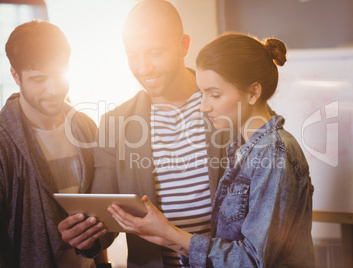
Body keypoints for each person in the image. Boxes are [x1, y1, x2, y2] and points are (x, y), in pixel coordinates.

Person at [108, 32, 316, 267]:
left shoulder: (273, 152)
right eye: (202, 93)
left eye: (214, 95)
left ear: (253, 93)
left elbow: (253, 261)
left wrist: (171, 233)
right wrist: (167, 238)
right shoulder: (243, 149)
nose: (203, 106)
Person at [57, 0, 230, 267]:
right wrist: (86, 235)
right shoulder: (115, 123)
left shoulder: (228, 106)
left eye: (155, 52)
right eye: (133, 55)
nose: (144, 67)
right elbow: (106, 218)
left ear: (184, 45)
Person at [0, 20, 108, 267]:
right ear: (15, 76)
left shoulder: (86, 127)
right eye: (39, 79)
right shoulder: (3, 143)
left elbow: (103, 211)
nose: (52, 89)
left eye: (59, 75)